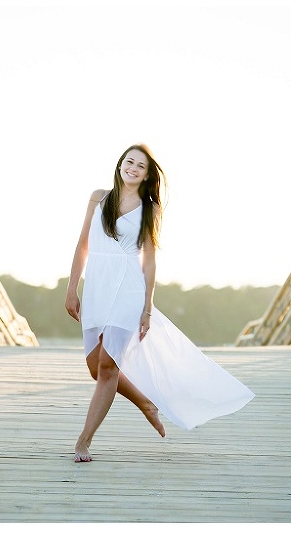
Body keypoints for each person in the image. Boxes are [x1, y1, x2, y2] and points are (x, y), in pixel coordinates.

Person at [65, 143, 255, 463]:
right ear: (120, 164)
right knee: (95, 366)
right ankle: (145, 403)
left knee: (109, 368)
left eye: (141, 166)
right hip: (97, 286)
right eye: (130, 162)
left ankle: (83, 441)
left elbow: (149, 259)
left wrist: (147, 307)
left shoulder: (150, 209)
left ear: (147, 175)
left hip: (128, 289)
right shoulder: (98, 197)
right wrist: (71, 288)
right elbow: (82, 244)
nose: (133, 168)